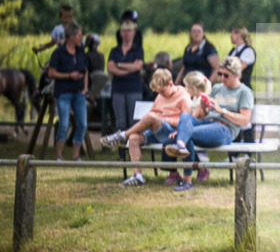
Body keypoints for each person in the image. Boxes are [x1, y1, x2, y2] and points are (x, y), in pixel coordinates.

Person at [164, 56, 254, 192]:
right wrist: (205, 109)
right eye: (220, 74)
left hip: (225, 129)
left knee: (189, 135)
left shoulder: (244, 92)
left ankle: (187, 179)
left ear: (236, 75)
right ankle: (181, 145)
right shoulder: (217, 88)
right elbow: (203, 115)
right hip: (207, 123)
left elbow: (245, 119)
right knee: (185, 116)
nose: (222, 78)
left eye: (226, 75)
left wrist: (222, 111)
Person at [99, 68, 192, 187]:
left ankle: (123, 135)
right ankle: (138, 176)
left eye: (162, 91)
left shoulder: (184, 97)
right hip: (155, 130)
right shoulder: (160, 96)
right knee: (133, 138)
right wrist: (155, 118)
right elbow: (153, 113)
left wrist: (164, 119)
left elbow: (187, 122)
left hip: (171, 134)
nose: (161, 94)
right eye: (158, 92)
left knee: (151, 117)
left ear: (170, 84)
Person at [47, 22, 89, 161]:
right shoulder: (58, 53)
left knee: (82, 124)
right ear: (71, 36)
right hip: (63, 92)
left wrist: (85, 88)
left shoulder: (81, 51)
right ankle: (59, 156)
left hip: (79, 93)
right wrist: (69, 76)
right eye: (79, 35)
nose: (81, 37)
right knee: (64, 124)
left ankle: (75, 156)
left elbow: (86, 71)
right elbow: (51, 73)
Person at [106, 18, 145, 135]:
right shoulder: (115, 51)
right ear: (121, 33)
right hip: (118, 89)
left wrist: (119, 65)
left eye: (129, 31)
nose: (127, 34)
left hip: (134, 89)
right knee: (120, 123)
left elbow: (138, 66)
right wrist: (129, 68)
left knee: (134, 122)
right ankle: (121, 146)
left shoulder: (138, 50)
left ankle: (133, 145)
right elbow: (110, 68)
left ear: (134, 33)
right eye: (124, 31)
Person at [227, 25, 257, 143]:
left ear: (239, 34)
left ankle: (249, 148)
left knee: (245, 122)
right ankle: (234, 150)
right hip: (232, 90)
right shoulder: (233, 51)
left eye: (233, 33)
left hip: (243, 90)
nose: (231, 36)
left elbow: (237, 68)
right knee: (233, 121)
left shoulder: (248, 51)